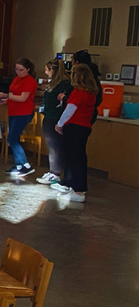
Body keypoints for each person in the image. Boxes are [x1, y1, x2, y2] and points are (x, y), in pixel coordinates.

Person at [52, 63, 98, 203]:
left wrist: (59, 124)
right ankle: (77, 188)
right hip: (84, 128)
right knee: (79, 158)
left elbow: (70, 110)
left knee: (74, 159)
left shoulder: (79, 93)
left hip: (74, 127)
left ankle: (78, 191)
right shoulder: (91, 93)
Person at [0, 57, 38, 178]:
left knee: (12, 139)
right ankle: (19, 166)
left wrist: (6, 95)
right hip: (13, 111)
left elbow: (23, 98)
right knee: (13, 138)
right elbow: (14, 96)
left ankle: (26, 165)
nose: (19, 72)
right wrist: (5, 100)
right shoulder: (16, 79)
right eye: (17, 69)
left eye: (21, 70)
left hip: (24, 113)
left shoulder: (30, 81)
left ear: (28, 69)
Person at [36, 58, 71, 186]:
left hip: (56, 118)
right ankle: (52, 171)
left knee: (56, 147)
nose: (46, 72)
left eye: (47, 70)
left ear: (53, 70)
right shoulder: (53, 84)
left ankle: (55, 173)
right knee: (51, 146)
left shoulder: (64, 84)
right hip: (48, 116)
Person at [72, 50, 103, 122]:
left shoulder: (82, 81)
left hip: (80, 114)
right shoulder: (94, 77)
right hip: (91, 112)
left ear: (77, 63)